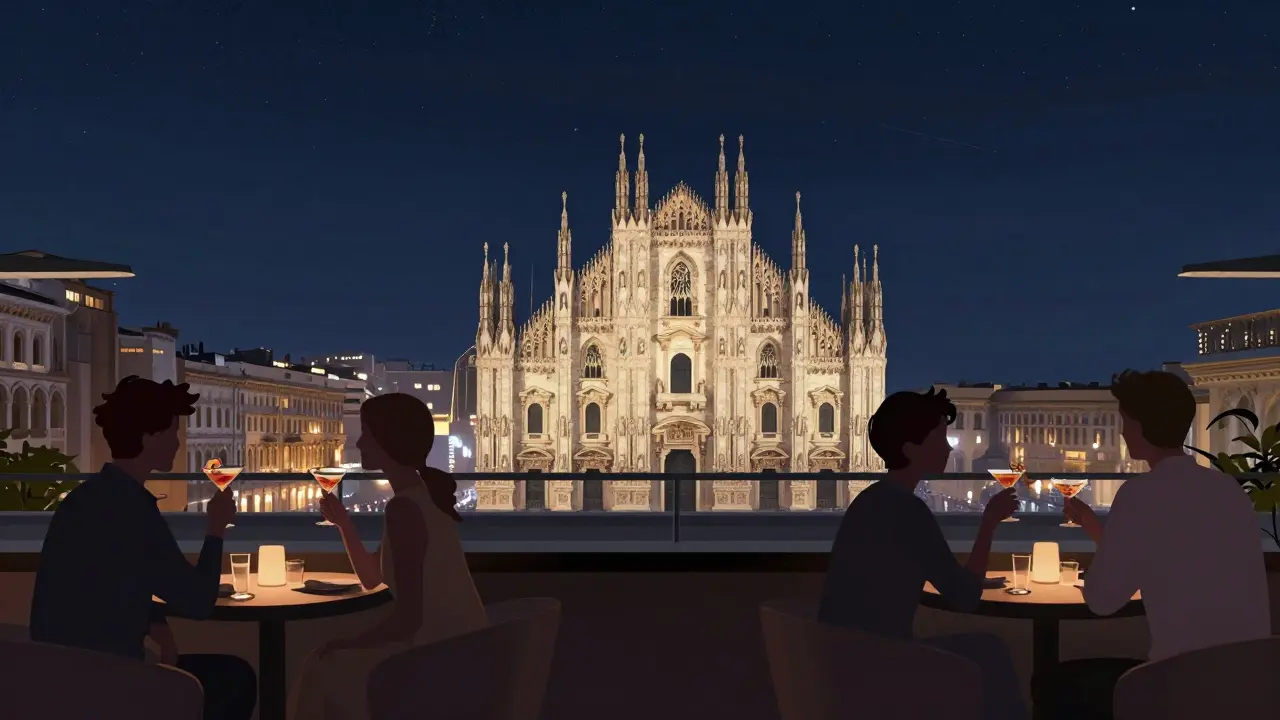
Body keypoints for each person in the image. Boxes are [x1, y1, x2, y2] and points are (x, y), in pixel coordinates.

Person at [1031, 370, 1272, 719]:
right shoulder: (1228, 490)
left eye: (1125, 421)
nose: (1122, 430)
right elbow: (1176, 554)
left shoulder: (1139, 494)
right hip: (1248, 683)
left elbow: (1102, 600)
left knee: (1053, 685)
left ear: (1141, 425)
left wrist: (1097, 556)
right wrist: (1098, 529)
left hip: (1183, 688)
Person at [30, 376, 256, 720]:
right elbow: (197, 601)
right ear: (149, 436)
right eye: (172, 433)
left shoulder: (86, 499)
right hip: (110, 682)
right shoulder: (133, 509)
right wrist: (216, 528)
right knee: (236, 679)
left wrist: (156, 626)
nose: (178, 443)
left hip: (60, 676)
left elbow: (106, 579)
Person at [819, 387, 1027, 720]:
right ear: (911, 448)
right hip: (885, 667)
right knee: (990, 651)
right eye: (939, 438)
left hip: (847, 662)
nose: (947, 447)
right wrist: (989, 522)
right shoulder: (907, 509)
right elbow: (965, 596)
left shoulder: (870, 500)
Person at [288, 393, 488, 720]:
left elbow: (410, 619)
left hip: (439, 662)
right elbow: (372, 578)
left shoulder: (404, 509)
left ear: (386, 440)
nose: (359, 441)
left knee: (320, 666)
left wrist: (348, 642)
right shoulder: (419, 498)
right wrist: (344, 525)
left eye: (366, 431)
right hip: (461, 651)